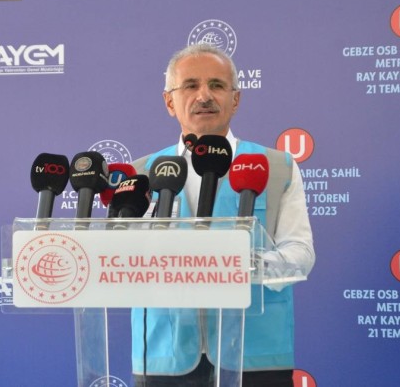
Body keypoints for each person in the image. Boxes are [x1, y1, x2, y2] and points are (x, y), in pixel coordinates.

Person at [130, 44, 315, 387]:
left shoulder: (277, 167)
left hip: (255, 354)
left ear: (236, 99)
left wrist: (238, 266)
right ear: (169, 102)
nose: (204, 96)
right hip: (162, 353)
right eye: (190, 85)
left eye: (216, 85)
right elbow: (124, 260)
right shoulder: (141, 173)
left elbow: (300, 253)